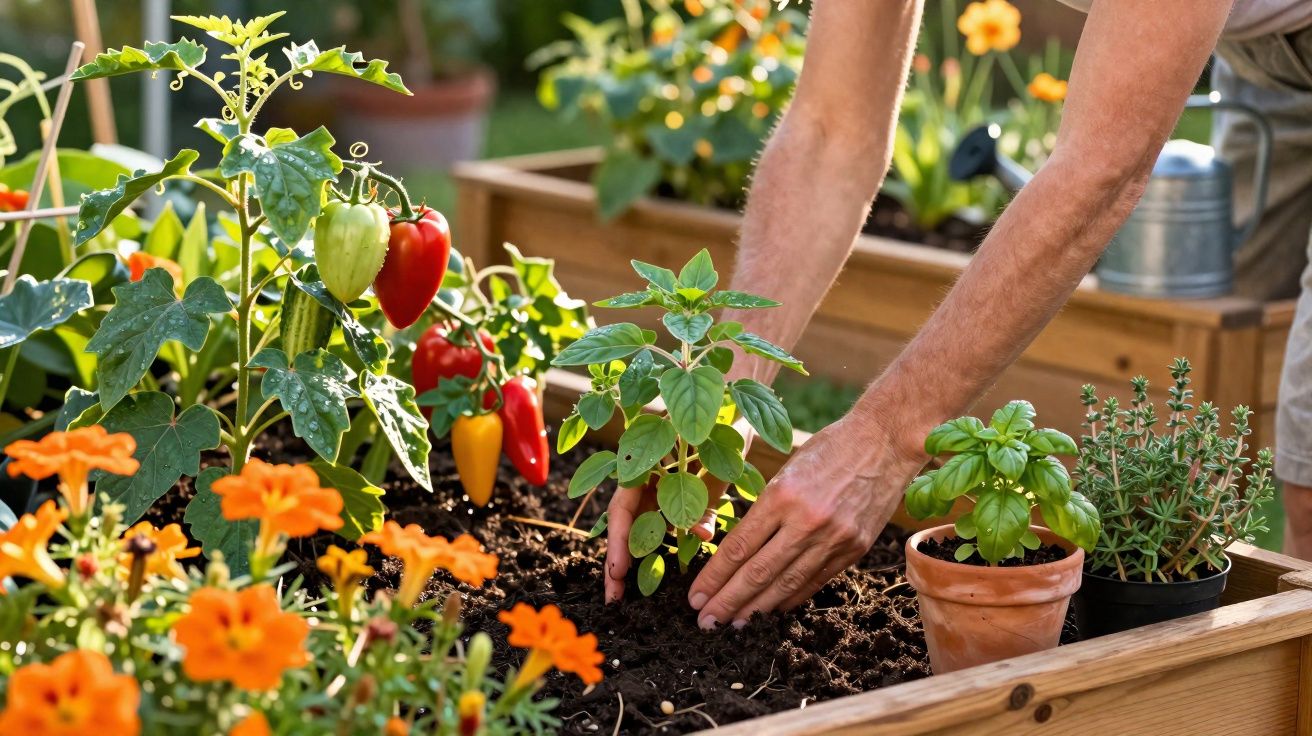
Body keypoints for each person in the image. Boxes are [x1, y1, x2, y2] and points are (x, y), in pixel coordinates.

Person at [602, 0, 1312, 628]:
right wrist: (723, 386)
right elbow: (830, 131)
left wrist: (886, 438)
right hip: (1261, 53)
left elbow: (1104, 167)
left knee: (1308, 481)